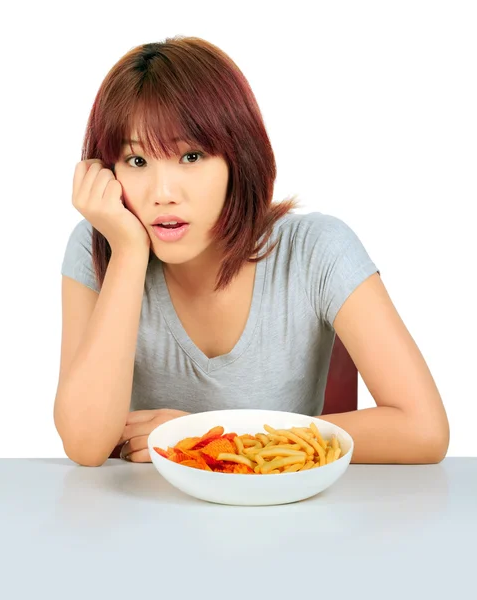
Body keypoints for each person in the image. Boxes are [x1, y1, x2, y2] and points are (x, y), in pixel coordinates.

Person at [54, 35, 449, 467]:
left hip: (285, 521)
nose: (162, 193)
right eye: (136, 161)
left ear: (238, 158)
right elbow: (85, 446)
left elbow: (423, 429)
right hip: (144, 517)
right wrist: (128, 253)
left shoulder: (315, 251)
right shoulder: (99, 246)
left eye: (191, 156)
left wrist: (210, 437)